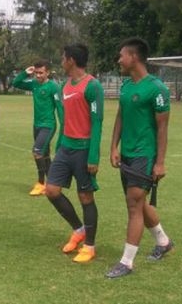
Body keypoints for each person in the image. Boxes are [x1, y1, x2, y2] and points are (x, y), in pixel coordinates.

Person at [105, 38, 174, 279]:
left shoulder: (157, 89)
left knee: (134, 205)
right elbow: (120, 117)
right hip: (127, 153)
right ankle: (163, 242)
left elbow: (163, 128)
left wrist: (160, 162)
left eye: (121, 55)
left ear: (133, 57)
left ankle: (126, 262)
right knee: (140, 202)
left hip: (145, 155)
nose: (119, 60)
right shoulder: (126, 87)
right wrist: (114, 146)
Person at [45, 44, 104, 263]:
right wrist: (58, 146)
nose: (61, 61)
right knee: (51, 190)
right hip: (65, 148)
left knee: (85, 196)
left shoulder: (93, 86)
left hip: (83, 149)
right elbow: (65, 120)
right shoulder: (64, 85)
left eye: (63, 57)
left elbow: (97, 122)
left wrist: (93, 156)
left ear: (71, 60)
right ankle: (78, 230)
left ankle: (89, 245)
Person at [12, 59, 63, 196]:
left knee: (37, 152)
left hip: (48, 125)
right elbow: (15, 83)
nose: (38, 76)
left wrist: (64, 128)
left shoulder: (53, 87)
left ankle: (41, 184)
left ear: (47, 73)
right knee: (45, 155)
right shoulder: (34, 84)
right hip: (37, 126)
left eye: (41, 73)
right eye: (36, 73)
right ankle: (54, 183)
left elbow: (60, 109)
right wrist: (25, 73)